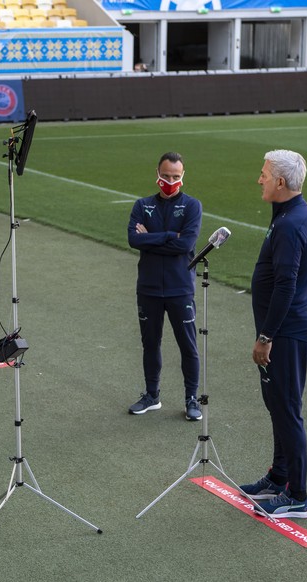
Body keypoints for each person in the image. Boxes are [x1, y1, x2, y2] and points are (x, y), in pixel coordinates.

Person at [239, 149, 307, 519]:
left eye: (264, 174)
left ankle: (298, 497)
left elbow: (286, 285)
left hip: (286, 334)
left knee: (287, 411)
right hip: (288, 330)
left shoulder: (290, 225)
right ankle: (279, 476)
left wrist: (266, 336)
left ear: (281, 183)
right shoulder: (294, 213)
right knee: (278, 407)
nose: (259, 179)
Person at [127, 151, 203, 420]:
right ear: (157, 174)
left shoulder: (192, 206)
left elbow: (187, 245)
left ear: (183, 177)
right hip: (148, 288)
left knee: (188, 346)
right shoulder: (142, 205)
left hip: (180, 288)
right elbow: (134, 240)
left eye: (176, 177)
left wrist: (153, 239)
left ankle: (191, 399)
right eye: (166, 175)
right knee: (150, 344)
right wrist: (171, 236)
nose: (170, 181)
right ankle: (152, 395)